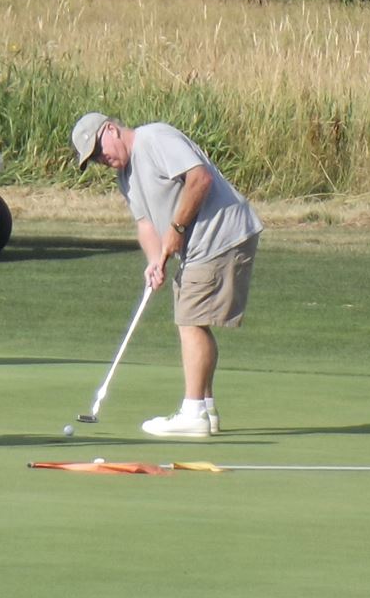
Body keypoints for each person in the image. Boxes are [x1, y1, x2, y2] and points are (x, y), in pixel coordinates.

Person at [70, 112, 262, 438]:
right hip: (200, 244)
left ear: (111, 129)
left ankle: (193, 412)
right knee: (192, 319)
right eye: (95, 160)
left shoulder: (155, 138)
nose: (103, 160)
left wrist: (176, 229)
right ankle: (205, 408)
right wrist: (154, 260)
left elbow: (200, 179)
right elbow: (145, 223)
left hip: (220, 234)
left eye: (100, 151)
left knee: (189, 320)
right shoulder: (125, 177)